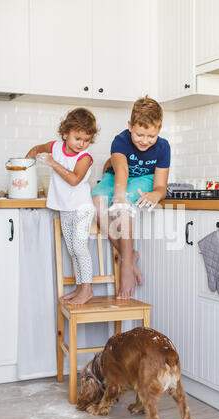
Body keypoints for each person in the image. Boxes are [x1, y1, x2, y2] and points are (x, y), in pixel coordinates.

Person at [92, 96, 170, 300]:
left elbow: (161, 186)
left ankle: (125, 266)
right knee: (96, 202)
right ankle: (130, 255)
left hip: (144, 178)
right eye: (140, 134)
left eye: (151, 136)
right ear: (130, 126)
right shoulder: (121, 140)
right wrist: (118, 195)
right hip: (115, 175)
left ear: (159, 129)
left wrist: (155, 194)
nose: (145, 140)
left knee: (123, 207)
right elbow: (122, 170)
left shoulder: (163, 147)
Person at [26, 107, 98, 304]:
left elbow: (74, 180)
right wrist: (26, 166)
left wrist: (52, 163)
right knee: (72, 249)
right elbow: (35, 149)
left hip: (82, 208)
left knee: (80, 247)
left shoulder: (85, 157)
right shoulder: (56, 147)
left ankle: (87, 289)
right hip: (65, 208)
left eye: (86, 140)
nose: (82, 144)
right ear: (65, 133)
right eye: (77, 138)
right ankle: (80, 287)